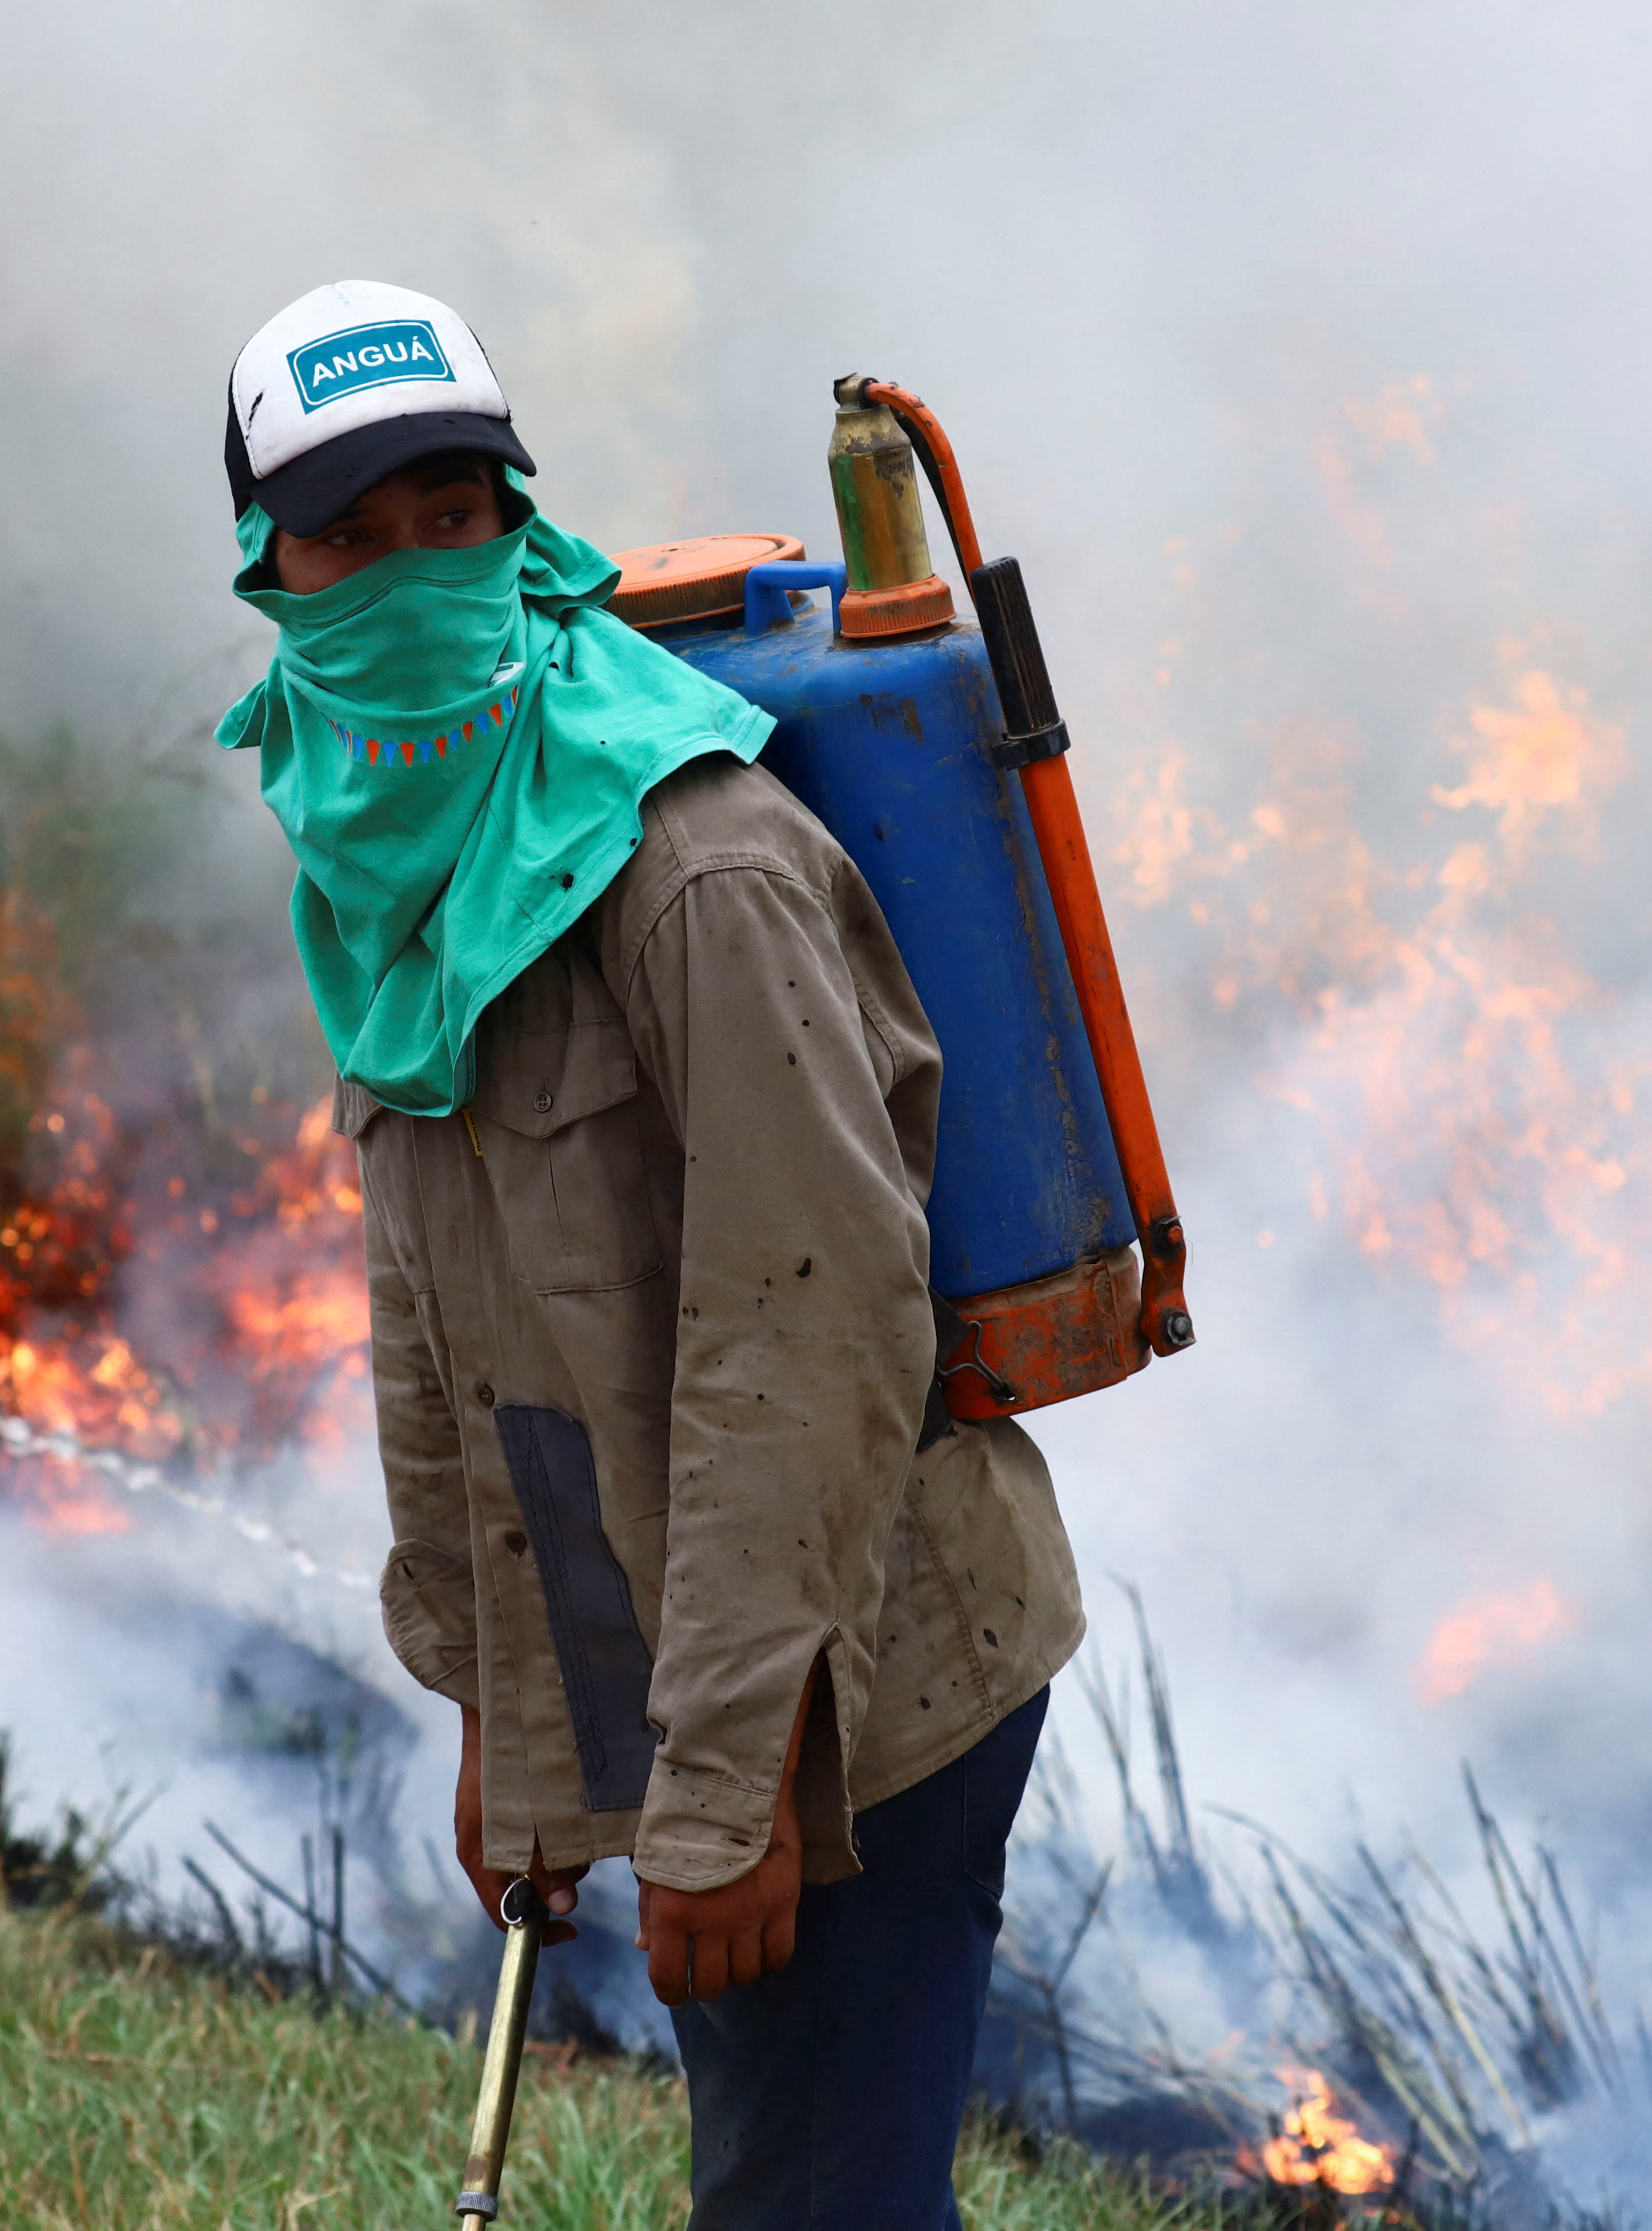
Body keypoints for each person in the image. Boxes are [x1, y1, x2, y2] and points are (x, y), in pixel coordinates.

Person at [215, 279, 1085, 2226]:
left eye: (456, 513)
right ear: (273, 573)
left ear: (520, 523)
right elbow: (441, 1332)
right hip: (706, 1670)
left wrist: (726, 1795)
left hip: (861, 1684)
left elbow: (808, 1350)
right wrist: (509, 1736)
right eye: (352, 534)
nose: (414, 568)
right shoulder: (395, 869)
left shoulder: (695, 867)